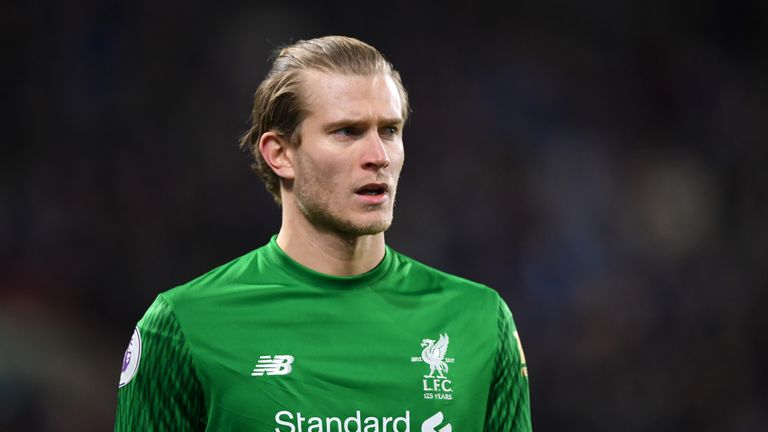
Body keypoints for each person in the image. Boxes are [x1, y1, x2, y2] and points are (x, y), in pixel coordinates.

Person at [114, 35, 531, 431]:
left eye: (389, 130)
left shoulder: (478, 320)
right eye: (347, 132)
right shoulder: (183, 326)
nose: (378, 157)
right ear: (280, 154)